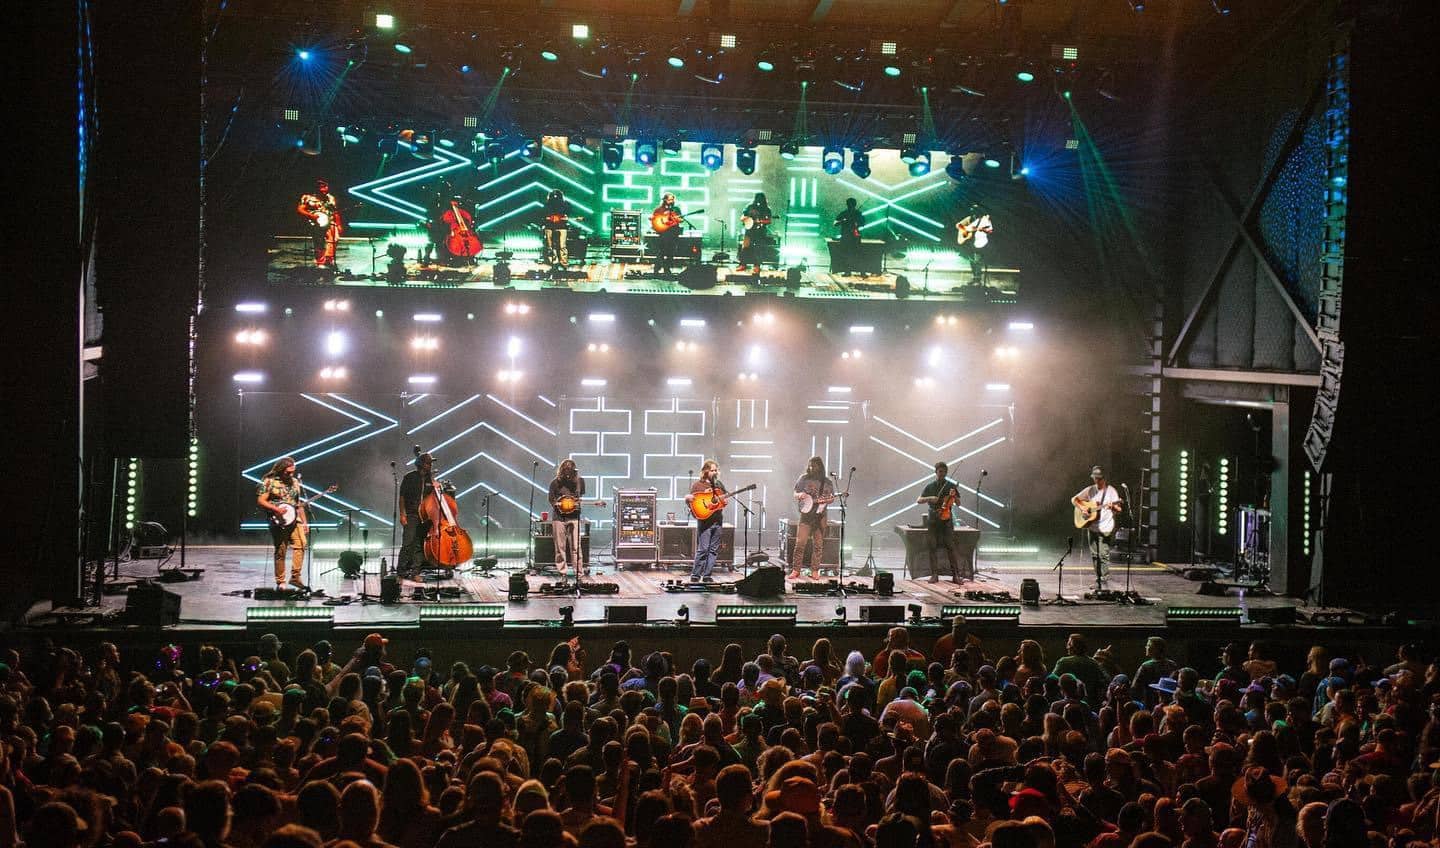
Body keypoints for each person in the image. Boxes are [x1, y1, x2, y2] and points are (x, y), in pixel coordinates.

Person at [256, 456, 310, 591]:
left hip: (295, 519)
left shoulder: (295, 482)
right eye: (288, 472)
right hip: (278, 520)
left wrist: (304, 522)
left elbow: (298, 504)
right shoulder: (269, 482)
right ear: (281, 470)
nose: (291, 475)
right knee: (281, 550)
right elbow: (261, 500)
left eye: (293, 472)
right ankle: (280, 581)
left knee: (301, 544)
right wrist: (276, 509)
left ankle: (295, 577)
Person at [1072, 466, 1124, 589]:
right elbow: (1074, 500)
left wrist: (1113, 507)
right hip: (1092, 527)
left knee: (1103, 554)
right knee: (1095, 555)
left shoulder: (1111, 491)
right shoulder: (1090, 490)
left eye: (1099, 479)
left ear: (1104, 479)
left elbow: (1119, 509)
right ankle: (1098, 579)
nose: (1096, 481)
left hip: (1105, 527)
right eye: (1095, 478)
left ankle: (1104, 579)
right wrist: (1083, 508)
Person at [915, 461, 967, 583]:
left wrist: (954, 497)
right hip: (933, 519)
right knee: (932, 546)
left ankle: (956, 575)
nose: (941, 474)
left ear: (946, 473)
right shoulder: (930, 486)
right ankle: (934, 575)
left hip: (946, 520)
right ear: (936, 472)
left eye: (944, 472)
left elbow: (959, 504)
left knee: (951, 547)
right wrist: (930, 498)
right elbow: (918, 500)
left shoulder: (951, 486)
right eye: (939, 472)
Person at [790, 456, 835, 580]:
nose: (811, 468)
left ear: (819, 466)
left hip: (820, 516)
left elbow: (831, 497)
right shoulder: (803, 478)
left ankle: (815, 570)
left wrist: (828, 500)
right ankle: (796, 570)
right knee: (800, 543)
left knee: (818, 545)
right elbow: (795, 493)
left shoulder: (827, 482)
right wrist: (800, 495)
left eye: (813, 465)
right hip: (806, 515)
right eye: (809, 465)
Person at [686, 460, 726, 582]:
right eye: (712, 470)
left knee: (713, 550)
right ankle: (695, 575)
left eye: (716, 470)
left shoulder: (719, 485)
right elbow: (693, 503)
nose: (715, 472)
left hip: (717, 521)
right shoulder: (698, 485)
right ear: (705, 471)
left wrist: (723, 502)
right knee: (703, 549)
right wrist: (687, 499)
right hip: (705, 521)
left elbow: (723, 501)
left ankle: (707, 575)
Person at [397, 452, 435, 578]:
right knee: (408, 543)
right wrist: (402, 514)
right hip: (411, 514)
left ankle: (416, 572)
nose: (430, 465)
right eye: (428, 463)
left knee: (420, 544)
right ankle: (401, 571)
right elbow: (402, 497)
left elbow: (432, 499)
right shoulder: (409, 477)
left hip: (424, 517)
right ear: (421, 464)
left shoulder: (430, 480)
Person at [549, 459, 589, 577]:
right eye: (565, 470)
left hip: (574, 516)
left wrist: (576, 502)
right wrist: (559, 504)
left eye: (570, 470)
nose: (567, 473)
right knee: (560, 547)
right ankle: (563, 572)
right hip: (559, 517)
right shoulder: (555, 483)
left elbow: (579, 496)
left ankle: (579, 573)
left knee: (576, 547)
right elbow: (551, 499)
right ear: (561, 471)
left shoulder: (579, 482)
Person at [297, 178, 342, 269]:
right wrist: (311, 216)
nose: (324, 189)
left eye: (326, 187)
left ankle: (329, 258)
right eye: (322, 187)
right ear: (317, 188)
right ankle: (321, 262)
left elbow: (335, 212)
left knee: (334, 239)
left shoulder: (330, 198)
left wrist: (339, 224)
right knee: (319, 243)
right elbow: (300, 209)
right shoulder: (308, 197)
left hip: (330, 221)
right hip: (316, 223)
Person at [954, 205, 992, 285]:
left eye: (975, 210)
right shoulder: (969, 219)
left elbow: (989, 230)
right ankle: (975, 277)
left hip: (979, 243)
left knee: (977, 260)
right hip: (970, 243)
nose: (973, 211)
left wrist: (982, 230)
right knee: (972, 261)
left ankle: (977, 279)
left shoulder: (984, 220)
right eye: (972, 210)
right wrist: (965, 231)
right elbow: (958, 225)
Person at [737, 192, 773, 271]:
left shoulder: (766, 209)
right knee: (745, 247)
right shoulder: (750, 206)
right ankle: (743, 264)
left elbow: (769, 221)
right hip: (749, 230)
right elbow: (743, 215)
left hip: (760, 231)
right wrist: (744, 219)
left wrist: (760, 222)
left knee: (758, 248)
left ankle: (757, 266)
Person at [652, 193, 684, 274]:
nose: (671, 201)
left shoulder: (676, 209)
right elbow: (655, 221)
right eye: (669, 200)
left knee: (671, 252)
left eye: (672, 199)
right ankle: (656, 269)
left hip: (673, 233)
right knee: (661, 252)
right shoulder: (659, 210)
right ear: (665, 200)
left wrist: (677, 219)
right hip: (663, 234)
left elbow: (681, 220)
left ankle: (667, 269)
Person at [832, 198, 864, 274]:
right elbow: (835, 223)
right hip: (846, 236)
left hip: (854, 236)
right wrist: (843, 221)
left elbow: (862, 224)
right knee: (846, 254)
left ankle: (858, 271)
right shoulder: (844, 213)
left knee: (856, 254)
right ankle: (847, 271)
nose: (850, 206)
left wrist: (855, 222)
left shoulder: (858, 213)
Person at [541, 189, 571, 268]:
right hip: (553, 227)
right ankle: (558, 261)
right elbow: (544, 215)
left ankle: (559, 261)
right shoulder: (548, 205)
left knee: (559, 246)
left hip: (558, 227)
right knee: (554, 246)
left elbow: (567, 214)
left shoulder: (564, 204)